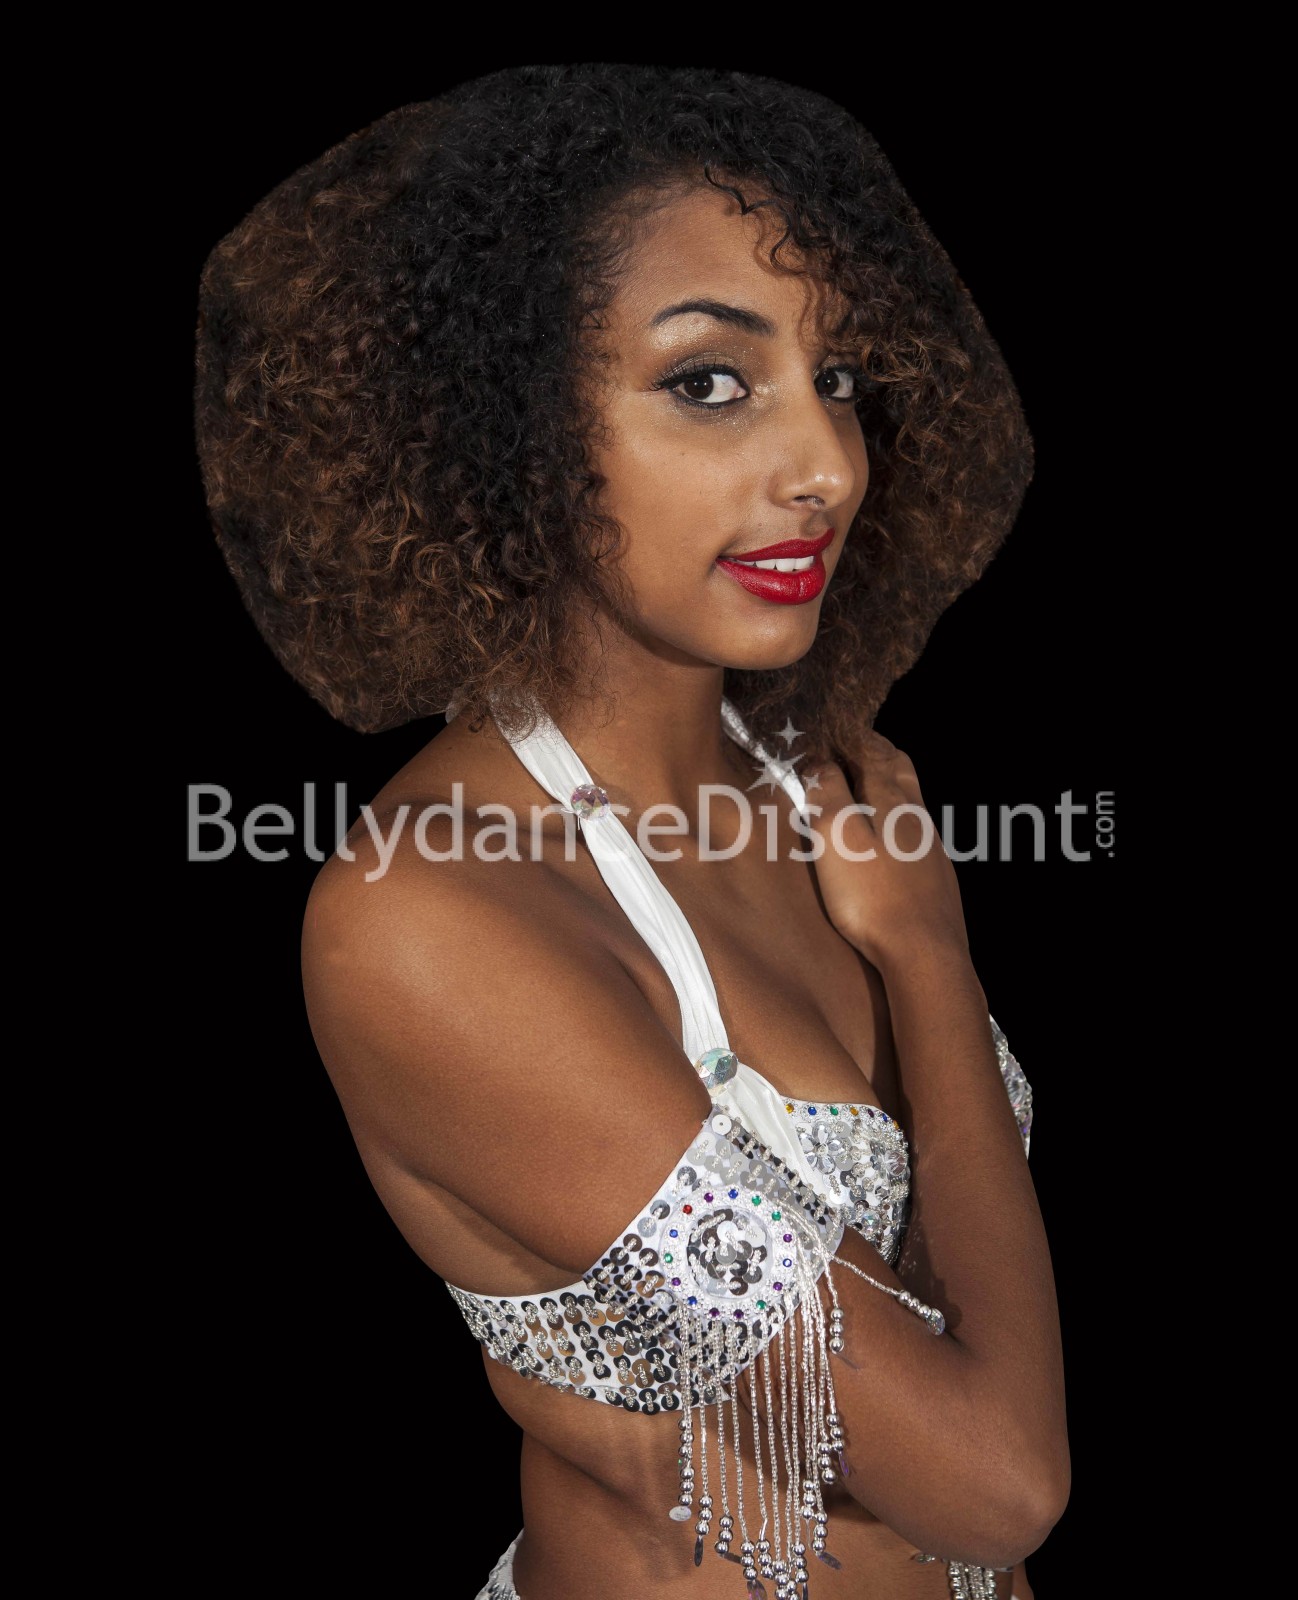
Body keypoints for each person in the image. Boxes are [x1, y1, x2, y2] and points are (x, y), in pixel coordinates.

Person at [194, 64, 1068, 1600]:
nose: (827, 467)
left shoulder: (812, 781)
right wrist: (928, 957)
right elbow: (995, 1483)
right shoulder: (431, 920)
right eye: (709, 384)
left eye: (836, 377)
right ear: (504, 425)